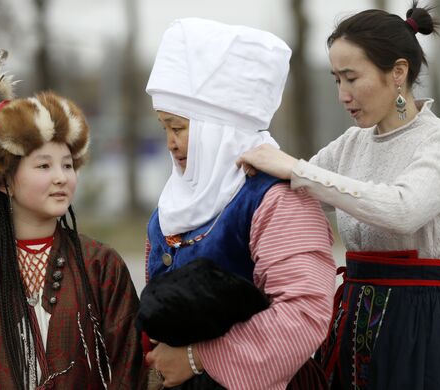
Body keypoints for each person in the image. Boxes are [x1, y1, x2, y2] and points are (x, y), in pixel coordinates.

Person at [237, 2, 440, 389]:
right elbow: (296, 188)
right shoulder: (352, 143)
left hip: (421, 328)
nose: (343, 94)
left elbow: (402, 209)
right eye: (336, 80)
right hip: (351, 322)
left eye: (351, 78)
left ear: (398, 72)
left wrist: (295, 169)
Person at [0, 50, 146, 389]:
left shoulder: (102, 268)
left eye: (68, 164)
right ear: (4, 180)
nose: (61, 177)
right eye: (44, 166)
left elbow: (131, 373)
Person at [142, 18, 336, 390]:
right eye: (163, 127)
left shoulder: (278, 200)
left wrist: (197, 358)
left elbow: (304, 313)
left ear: (219, 127)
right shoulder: (171, 208)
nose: (170, 143)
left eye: (179, 128)